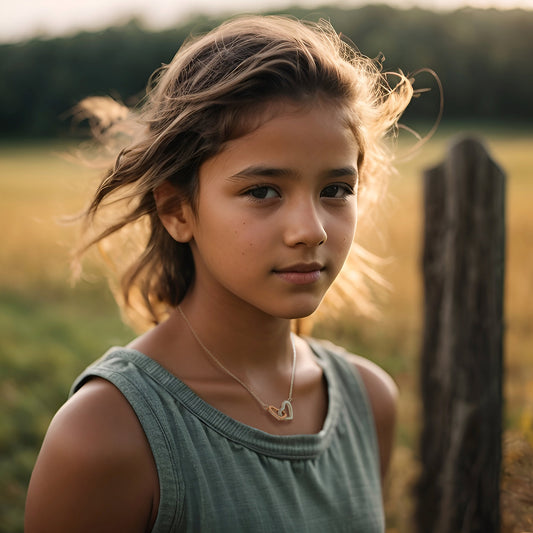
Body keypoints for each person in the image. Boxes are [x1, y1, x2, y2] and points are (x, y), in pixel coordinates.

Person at [25, 15, 415, 532]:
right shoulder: (107, 434)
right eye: (262, 191)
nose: (311, 230)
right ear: (177, 211)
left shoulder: (369, 401)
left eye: (336, 190)